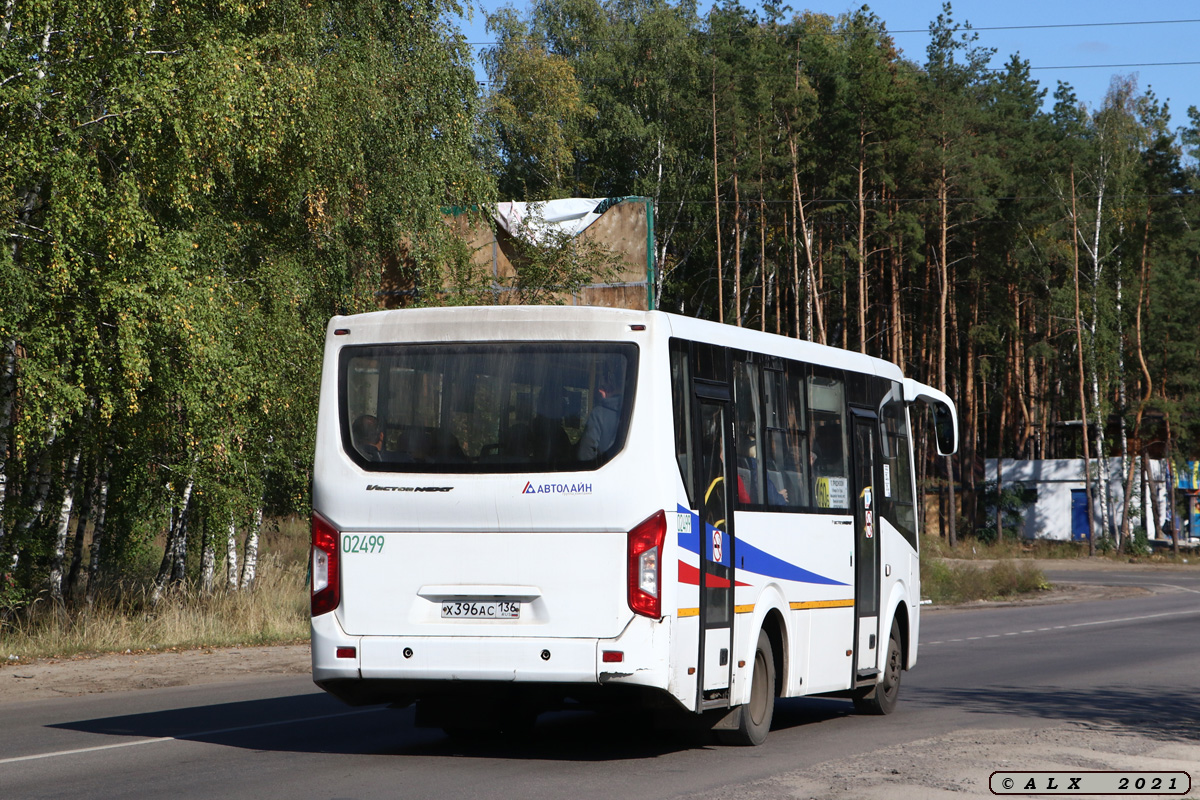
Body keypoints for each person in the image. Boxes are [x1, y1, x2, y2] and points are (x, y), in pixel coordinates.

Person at [577, 375, 622, 461]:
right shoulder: (629, 410)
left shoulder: (598, 414)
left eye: (601, 387)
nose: (598, 391)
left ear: (609, 389)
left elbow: (585, 453)